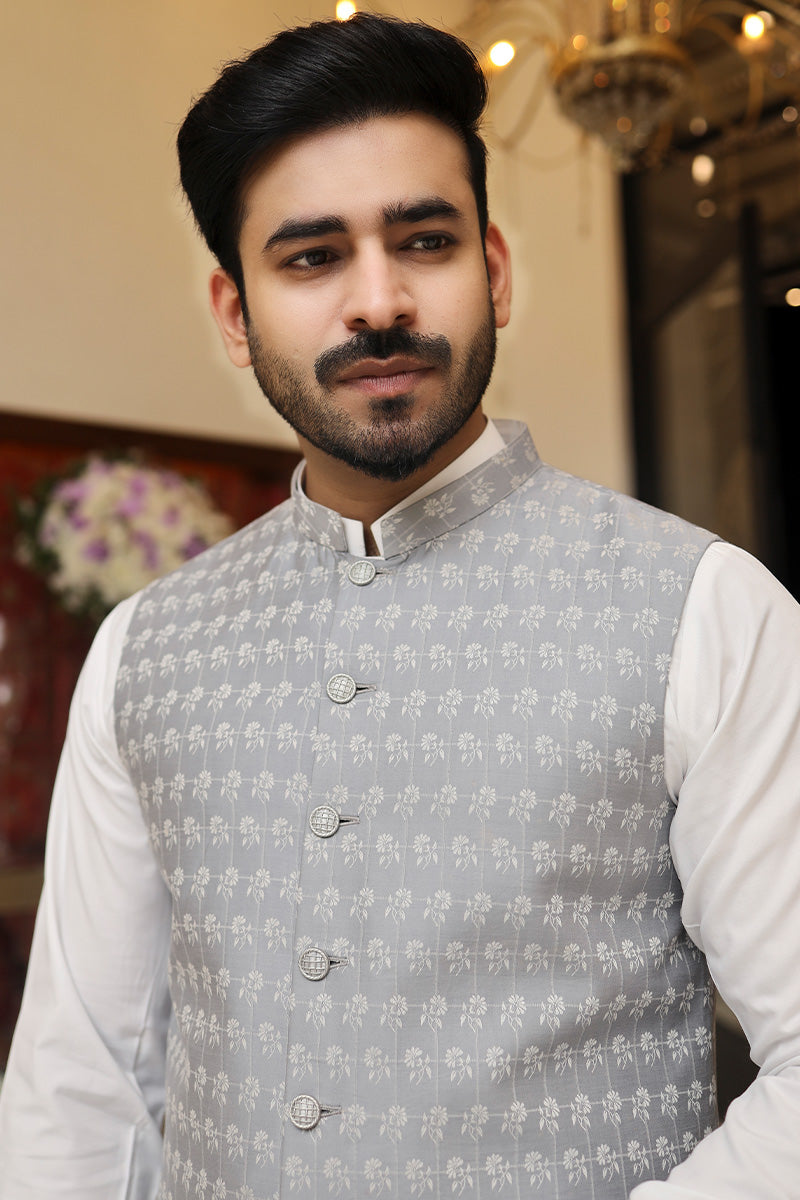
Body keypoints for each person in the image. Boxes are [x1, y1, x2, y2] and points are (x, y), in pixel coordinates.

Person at [1, 12, 799, 1199]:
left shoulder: (704, 611)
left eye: (423, 240)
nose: (378, 301)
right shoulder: (142, 650)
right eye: (310, 258)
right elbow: (82, 1083)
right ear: (235, 315)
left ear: (495, 271)